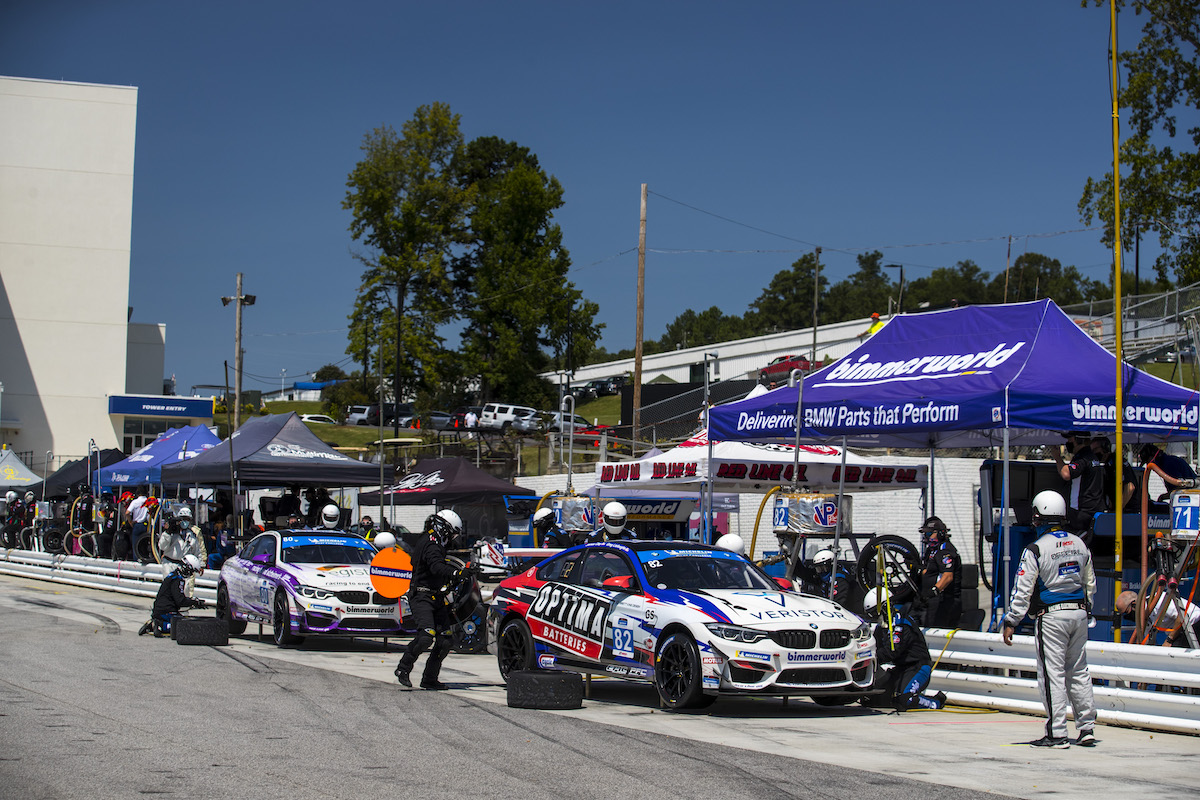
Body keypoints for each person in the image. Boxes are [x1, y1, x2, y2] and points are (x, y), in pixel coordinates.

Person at [1001, 490, 1097, 749]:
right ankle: (1086, 728)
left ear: (1038, 516)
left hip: (1051, 617)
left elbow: (1023, 589)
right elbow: (1090, 583)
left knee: (1052, 674)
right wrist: (1088, 610)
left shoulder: (1035, 549)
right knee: (1079, 671)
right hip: (1079, 613)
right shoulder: (1080, 543)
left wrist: (1011, 620)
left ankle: (1057, 733)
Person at [394, 510, 468, 690]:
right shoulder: (430, 543)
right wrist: (455, 572)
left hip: (436, 596)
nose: (453, 538)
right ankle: (403, 668)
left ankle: (429, 678)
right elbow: (436, 567)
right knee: (426, 636)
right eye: (452, 533)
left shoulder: (437, 542)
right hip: (421, 596)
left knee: (445, 640)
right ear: (444, 529)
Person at [862, 590, 946, 711]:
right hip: (900, 669)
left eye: (875, 613)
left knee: (905, 700)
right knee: (871, 699)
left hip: (917, 667)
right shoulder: (882, 627)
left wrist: (871, 657)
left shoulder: (901, 623)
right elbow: (875, 648)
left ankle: (936, 701)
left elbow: (892, 652)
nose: (874, 618)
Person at [1052, 431, 1105, 545]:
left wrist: (1056, 456)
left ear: (1078, 440)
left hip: (1080, 512)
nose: (1067, 443)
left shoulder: (1083, 458)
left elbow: (1066, 474)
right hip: (1090, 510)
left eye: (1070, 440)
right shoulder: (1092, 457)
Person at [138, 554, 207, 638]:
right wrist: (195, 602)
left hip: (161, 610)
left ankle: (157, 622)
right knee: (185, 626)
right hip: (166, 611)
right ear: (187, 568)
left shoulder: (172, 575)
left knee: (183, 620)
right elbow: (180, 601)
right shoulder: (177, 580)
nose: (192, 574)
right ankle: (160, 625)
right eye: (192, 571)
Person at [1116, 589, 1200, 648]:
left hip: (1194, 622)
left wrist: (1169, 640)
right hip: (1182, 630)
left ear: (1134, 604)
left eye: (1126, 612)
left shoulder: (1159, 601)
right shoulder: (1144, 619)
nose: (1127, 617)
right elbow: (1147, 640)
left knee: (1174, 652)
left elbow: (1182, 616)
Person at [919, 516, 962, 628]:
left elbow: (948, 576)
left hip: (944, 601)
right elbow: (926, 572)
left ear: (940, 533)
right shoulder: (931, 550)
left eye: (929, 534)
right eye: (924, 534)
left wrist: (934, 590)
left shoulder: (945, 550)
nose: (926, 537)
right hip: (931, 601)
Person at [158, 506, 207, 597]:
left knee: (185, 590)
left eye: (187, 519)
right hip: (170, 564)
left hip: (185, 566)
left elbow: (197, 551)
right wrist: (168, 532)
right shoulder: (170, 533)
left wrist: (201, 564)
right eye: (183, 519)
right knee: (168, 589)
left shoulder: (192, 535)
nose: (185, 521)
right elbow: (162, 546)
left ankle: (183, 610)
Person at [1091, 436, 1139, 512]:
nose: (1093, 453)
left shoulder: (1117, 462)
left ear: (1105, 448)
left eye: (1095, 449)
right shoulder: (1105, 465)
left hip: (1129, 510)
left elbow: (1130, 487)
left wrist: (1118, 510)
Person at [124, 488, 151, 563]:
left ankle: (136, 561)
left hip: (137, 524)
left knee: (135, 545)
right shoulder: (147, 501)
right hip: (146, 524)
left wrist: (130, 522)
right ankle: (145, 558)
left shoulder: (135, 502)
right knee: (145, 544)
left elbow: (127, 513)